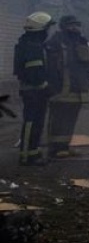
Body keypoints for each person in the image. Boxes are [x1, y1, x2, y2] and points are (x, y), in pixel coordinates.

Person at [44, 14, 89, 158]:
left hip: (78, 88)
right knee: (58, 118)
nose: (74, 28)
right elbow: (50, 66)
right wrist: (50, 86)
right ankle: (54, 148)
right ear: (63, 26)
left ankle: (64, 146)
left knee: (70, 118)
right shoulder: (55, 41)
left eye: (76, 25)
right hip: (60, 88)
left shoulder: (83, 41)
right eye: (71, 25)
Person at [13, 12, 54, 166]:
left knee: (37, 122)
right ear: (41, 29)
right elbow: (33, 73)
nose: (49, 31)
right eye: (47, 28)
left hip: (36, 90)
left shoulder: (32, 43)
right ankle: (26, 155)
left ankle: (33, 151)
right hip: (33, 91)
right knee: (31, 122)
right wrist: (45, 85)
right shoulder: (32, 46)